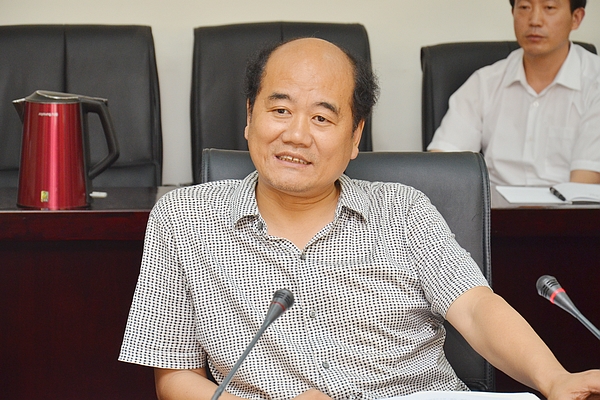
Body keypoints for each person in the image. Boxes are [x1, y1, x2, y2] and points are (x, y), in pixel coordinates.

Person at [119, 37, 600, 400]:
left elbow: (476, 309)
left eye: (322, 118)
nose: (296, 135)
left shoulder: (404, 210)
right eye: (280, 109)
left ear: (355, 136)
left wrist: (553, 379)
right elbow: (175, 375)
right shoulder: (183, 218)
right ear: (249, 116)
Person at [427, 0, 600, 187]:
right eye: (524, 7)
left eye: (549, 8)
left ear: (576, 18)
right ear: (513, 13)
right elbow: (443, 167)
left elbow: (584, 187)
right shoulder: (485, 82)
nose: (534, 20)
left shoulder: (595, 83)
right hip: (492, 204)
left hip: (567, 205)